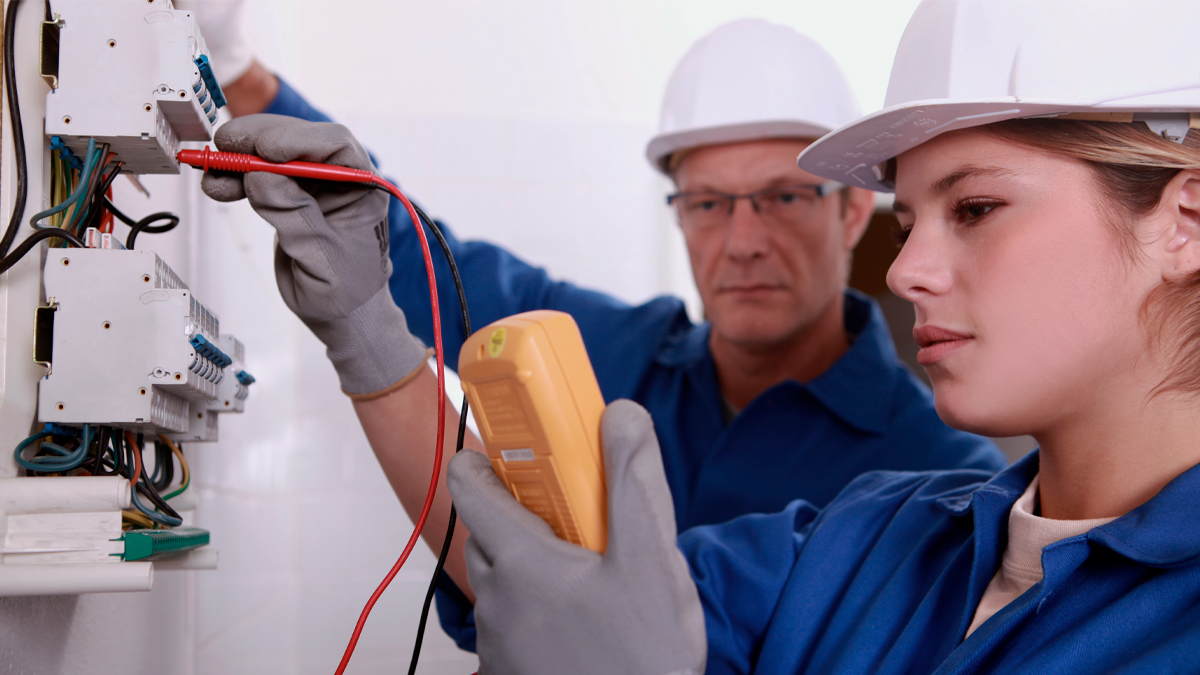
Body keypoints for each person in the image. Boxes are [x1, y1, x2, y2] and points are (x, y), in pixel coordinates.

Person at [196, 10, 1004, 652]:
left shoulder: (944, 475)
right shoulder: (613, 353)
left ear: (854, 208)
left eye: (783, 197)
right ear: (679, 213)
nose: (745, 239)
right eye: (710, 203)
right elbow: (418, 253)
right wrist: (236, 66)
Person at [441, 0, 1200, 673]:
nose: (904, 272)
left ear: (1183, 222)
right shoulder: (860, 535)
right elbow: (581, 600)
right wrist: (369, 344)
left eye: (974, 207)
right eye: (905, 224)